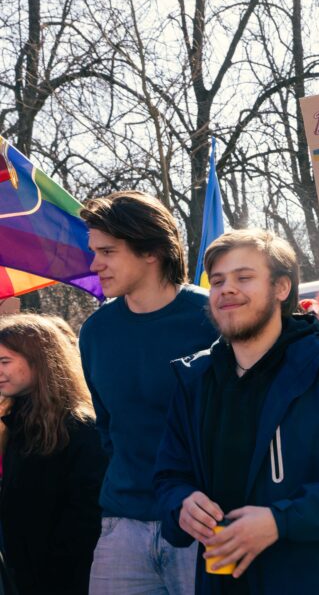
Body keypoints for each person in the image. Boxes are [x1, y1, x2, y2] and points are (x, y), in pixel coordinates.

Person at [154, 229, 319, 594]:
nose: (227, 289)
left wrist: (280, 521)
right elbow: (169, 477)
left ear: (281, 289)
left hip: (318, 579)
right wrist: (181, 505)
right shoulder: (195, 379)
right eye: (217, 281)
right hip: (224, 580)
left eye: (244, 277)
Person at [79, 191, 219, 594]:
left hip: (205, 521)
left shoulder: (213, 316)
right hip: (121, 522)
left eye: (107, 251)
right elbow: (107, 425)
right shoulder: (95, 331)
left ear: (151, 251)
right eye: (94, 251)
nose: (94, 264)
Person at [0, 314, 106, 595]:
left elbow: (86, 512)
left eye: (4, 362)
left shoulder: (80, 428)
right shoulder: (17, 424)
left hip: (64, 580)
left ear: (39, 361)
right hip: (22, 576)